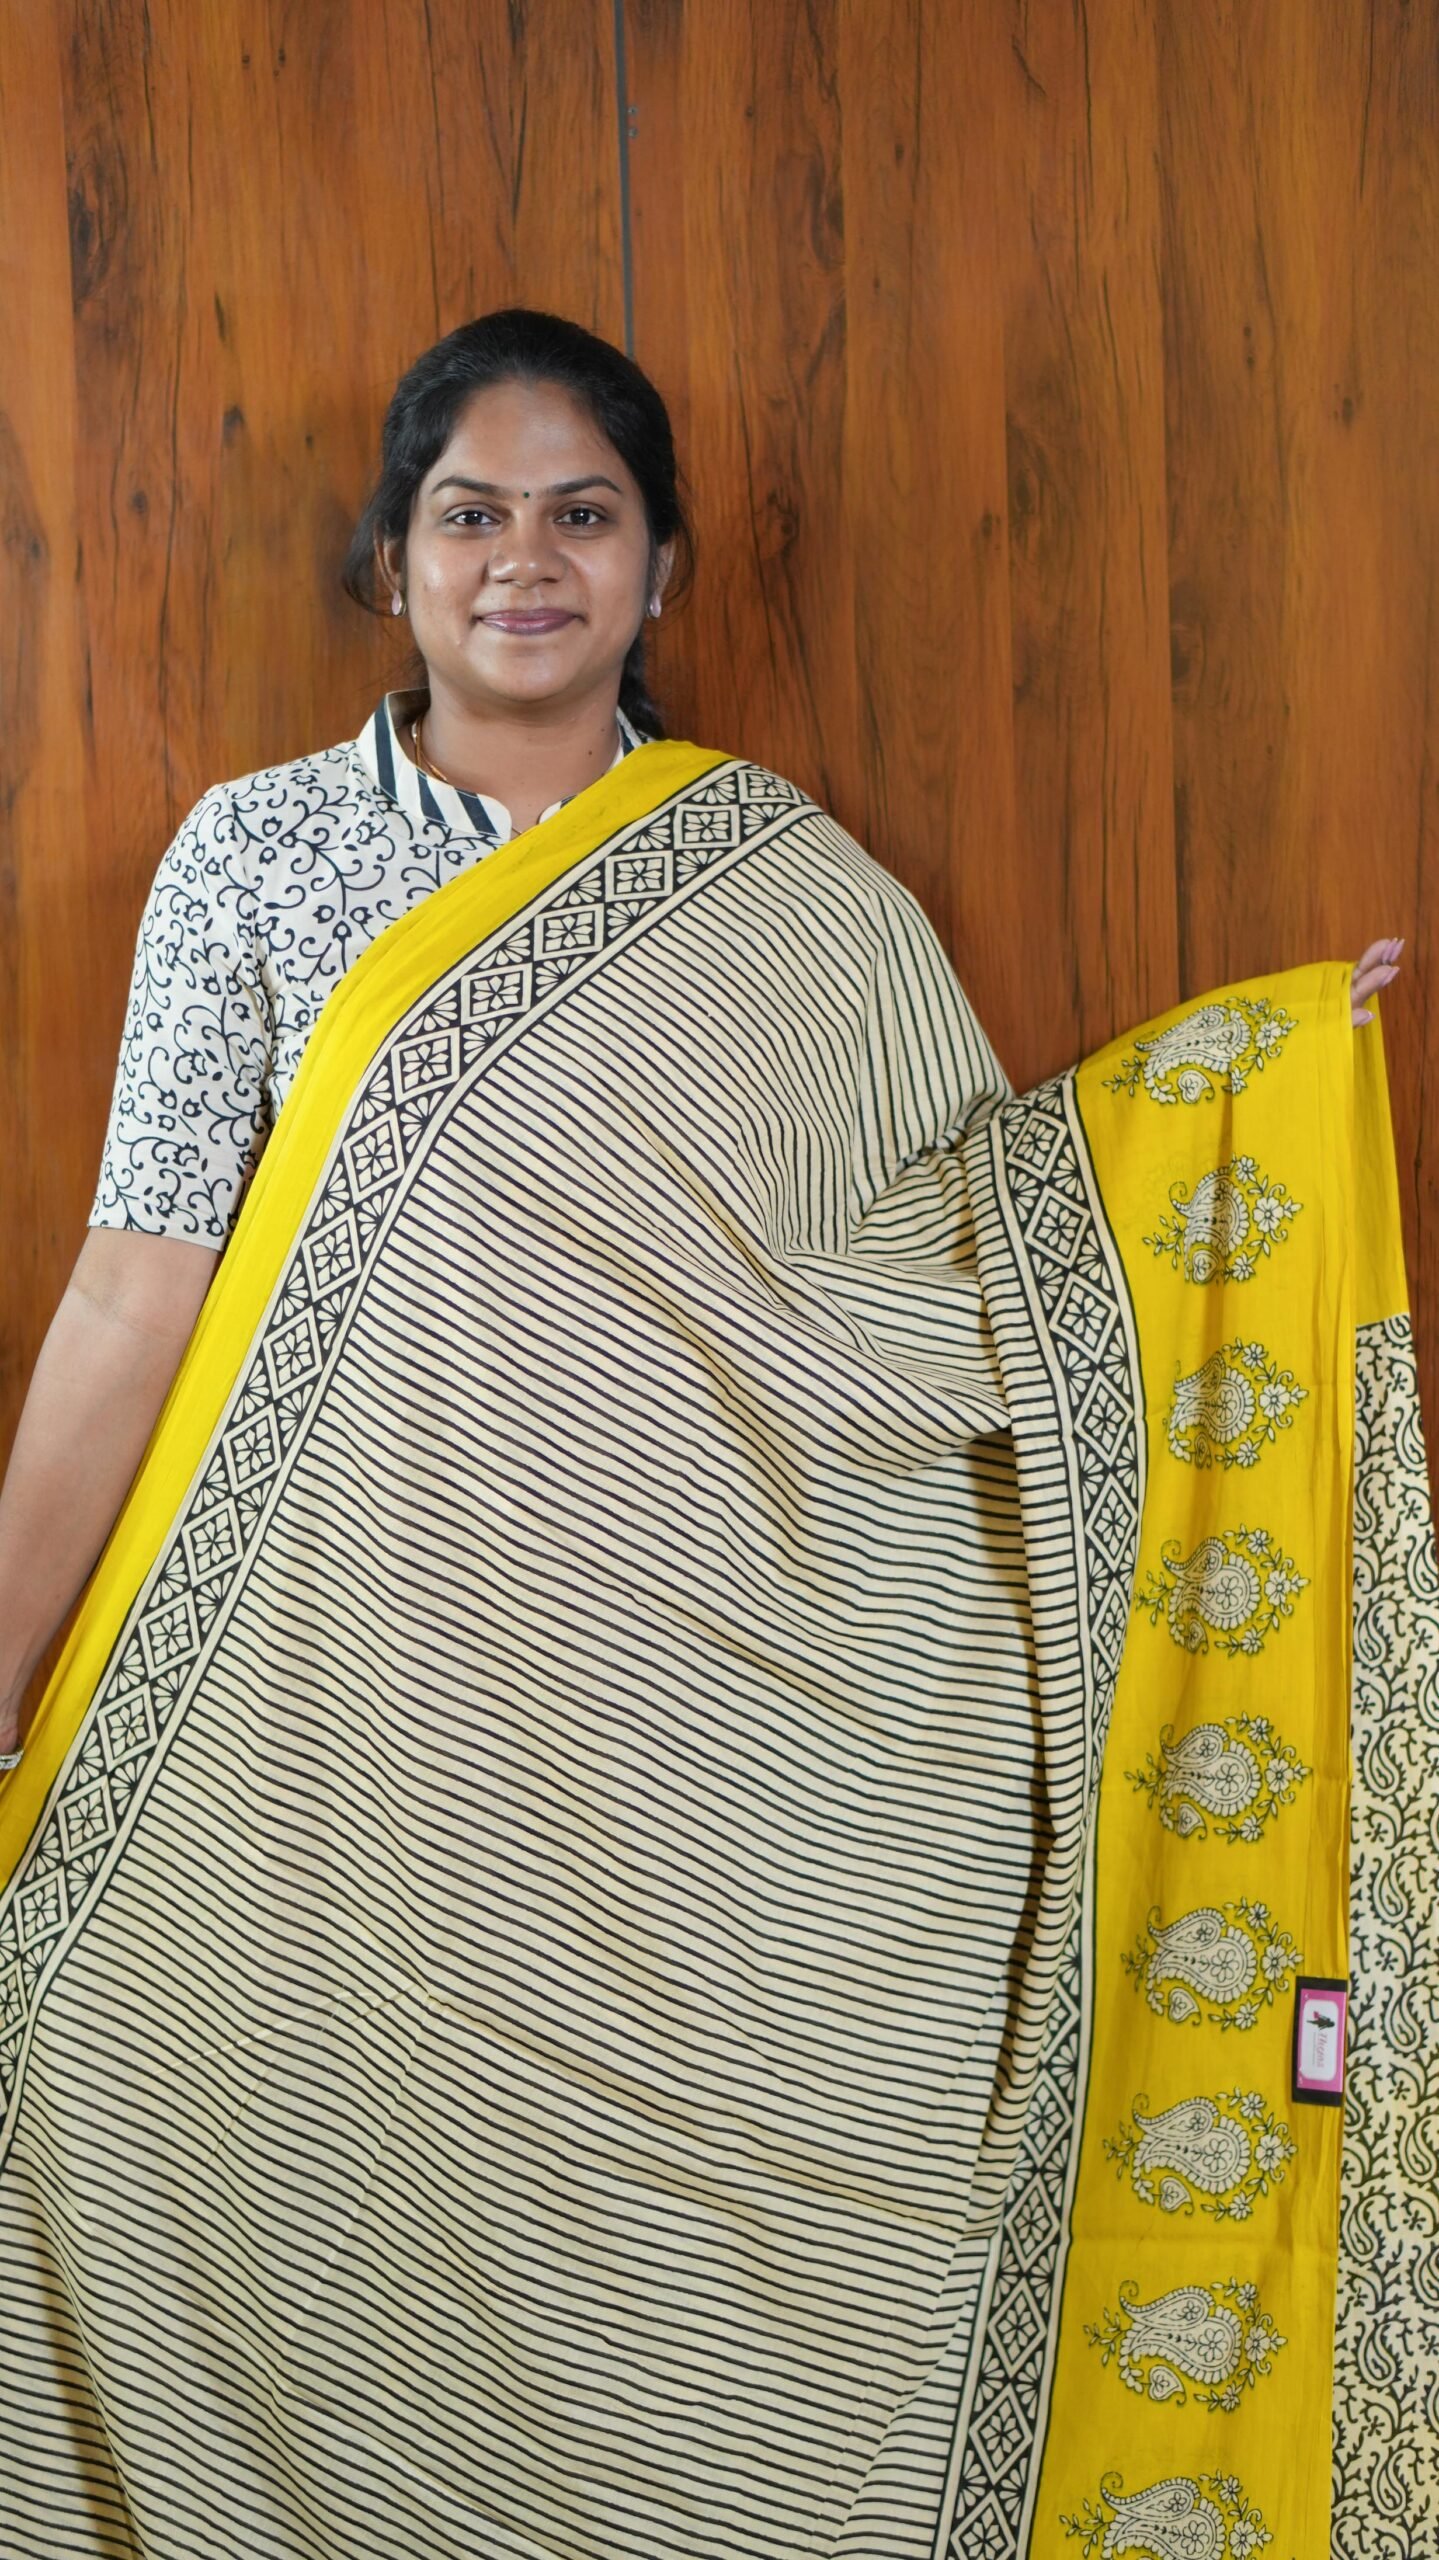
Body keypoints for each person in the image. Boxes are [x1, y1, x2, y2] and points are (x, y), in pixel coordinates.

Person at [0, 311, 1427, 2560]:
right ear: (393, 562)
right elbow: (131, 1287)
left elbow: (968, 1257)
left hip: (685, 1753)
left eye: (584, 514)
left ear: (660, 565)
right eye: (471, 514)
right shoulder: (257, 859)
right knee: (118, 2096)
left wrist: (1230, 1095)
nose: (525, 560)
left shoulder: (798, 900)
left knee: (669, 2306)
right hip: (328, 1723)